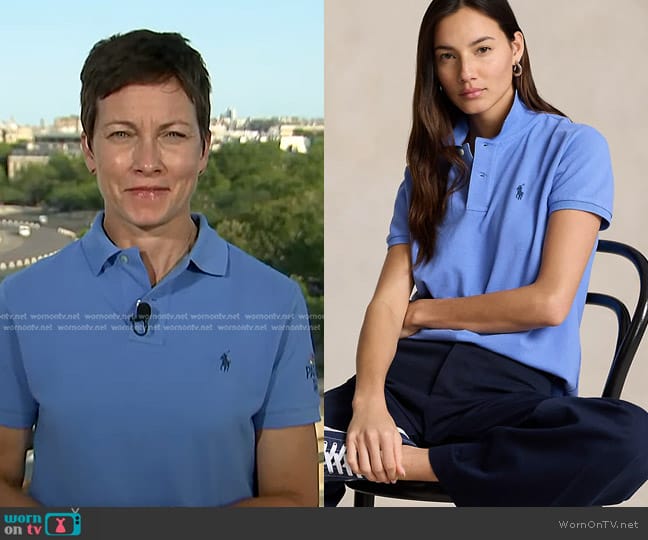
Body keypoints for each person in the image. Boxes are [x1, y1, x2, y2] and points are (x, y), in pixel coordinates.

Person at [324, 0, 648, 507]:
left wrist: (427, 311)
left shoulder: (574, 148)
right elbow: (386, 305)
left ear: (516, 48)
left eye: (482, 49)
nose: (466, 73)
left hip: (509, 393)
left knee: (630, 438)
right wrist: (369, 406)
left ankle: (419, 461)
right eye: (447, 56)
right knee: (255, 438)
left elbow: (549, 303)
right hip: (404, 382)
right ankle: (377, 447)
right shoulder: (425, 172)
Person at [0, 29, 321, 507]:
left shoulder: (275, 303)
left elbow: (294, 500)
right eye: (122, 135)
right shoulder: (19, 303)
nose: (147, 162)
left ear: (205, 149)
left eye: (171, 135)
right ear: (89, 150)